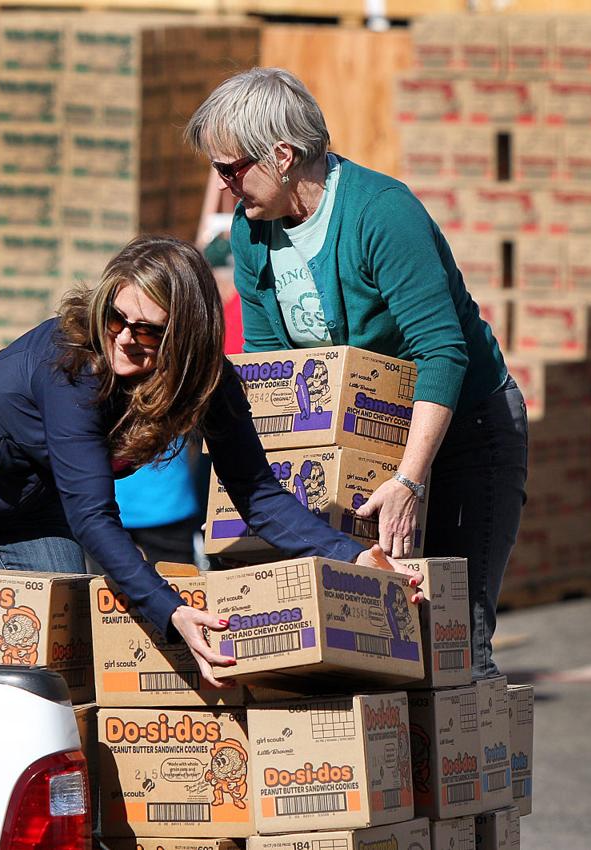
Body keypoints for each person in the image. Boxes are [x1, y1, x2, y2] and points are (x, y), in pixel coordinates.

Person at [0, 236, 412, 685]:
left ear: (187, 338)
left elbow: (257, 496)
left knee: (58, 661)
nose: (124, 337)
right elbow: (94, 515)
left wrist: (353, 556)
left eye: (148, 330)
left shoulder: (209, 382)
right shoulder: (73, 365)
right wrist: (174, 611)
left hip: (33, 501)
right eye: (116, 318)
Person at [185, 68, 528, 678]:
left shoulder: (382, 213)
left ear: (283, 156)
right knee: (368, 646)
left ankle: (477, 765)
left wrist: (410, 481)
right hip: (368, 438)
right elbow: (274, 370)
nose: (222, 185)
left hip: (463, 428)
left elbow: (442, 351)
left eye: (230, 169)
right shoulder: (251, 230)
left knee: (453, 642)